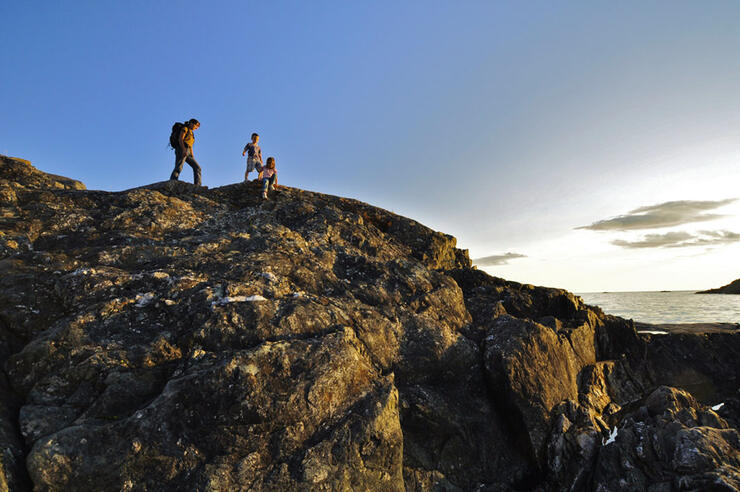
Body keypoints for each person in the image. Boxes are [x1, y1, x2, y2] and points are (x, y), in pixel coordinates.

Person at [170, 119, 202, 186]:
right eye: (196, 126)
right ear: (192, 123)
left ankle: (198, 185)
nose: (196, 128)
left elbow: (190, 145)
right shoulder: (185, 128)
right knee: (179, 166)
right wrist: (183, 149)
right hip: (182, 149)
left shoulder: (191, 133)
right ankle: (173, 181)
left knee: (197, 167)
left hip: (188, 151)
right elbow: (180, 139)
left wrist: (192, 155)